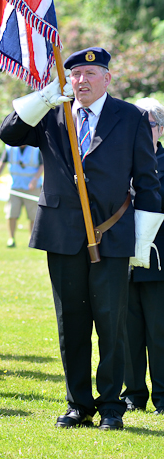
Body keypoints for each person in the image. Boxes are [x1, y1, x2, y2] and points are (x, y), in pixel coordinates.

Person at [0, 47, 162, 431]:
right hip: (62, 235)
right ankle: (78, 405)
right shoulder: (52, 113)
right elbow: (8, 133)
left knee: (111, 323)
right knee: (70, 322)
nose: (82, 80)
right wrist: (41, 97)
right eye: (75, 74)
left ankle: (110, 407)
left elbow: (148, 183)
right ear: (66, 79)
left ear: (108, 78)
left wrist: (141, 243)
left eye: (91, 73)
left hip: (113, 235)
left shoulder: (130, 116)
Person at [122, 97, 164, 415]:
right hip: (121, 262)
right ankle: (134, 394)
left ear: (160, 129)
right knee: (126, 332)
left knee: (160, 332)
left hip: (159, 263)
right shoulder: (118, 162)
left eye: (146, 123)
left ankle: (163, 397)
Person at [0, 145, 44, 247]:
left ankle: (31, 239)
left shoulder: (36, 148)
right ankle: (11, 239)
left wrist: (35, 179)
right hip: (15, 186)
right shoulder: (9, 148)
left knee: (33, 215)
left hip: (32, 187)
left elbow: (43, 165)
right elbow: (2, 163)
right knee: (11, 213)